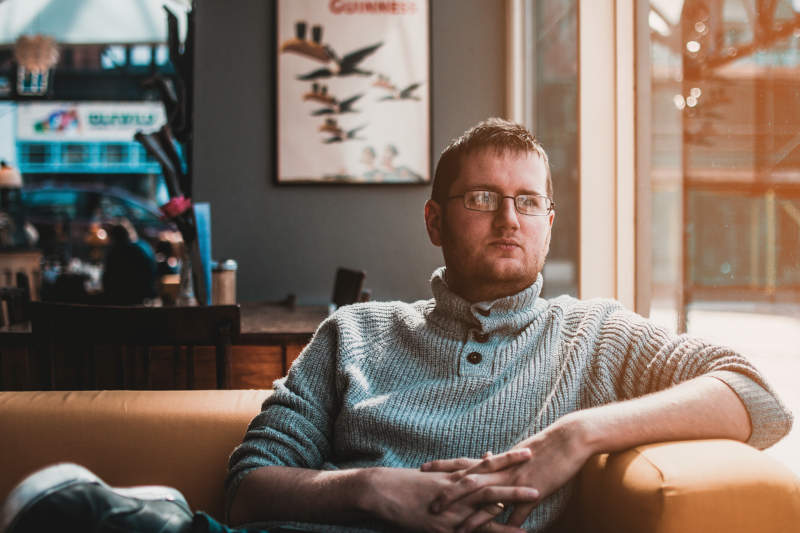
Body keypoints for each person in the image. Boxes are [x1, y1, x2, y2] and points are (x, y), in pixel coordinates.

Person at [1, 119, 792, 533]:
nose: (507, 217)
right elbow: (248, 488)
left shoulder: (598, 335)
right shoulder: (356, 332)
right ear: (435, 220)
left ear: (551, 223)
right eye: (482, 197)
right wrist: (372, 490)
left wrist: (575, 437)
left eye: (527, 201)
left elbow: (758, 398)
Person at [101, 218, 158, 305]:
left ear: (114, 237)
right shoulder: (144, 246)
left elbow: (107, 279)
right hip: (145, 297)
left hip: (121, 300)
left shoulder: (116, 252)